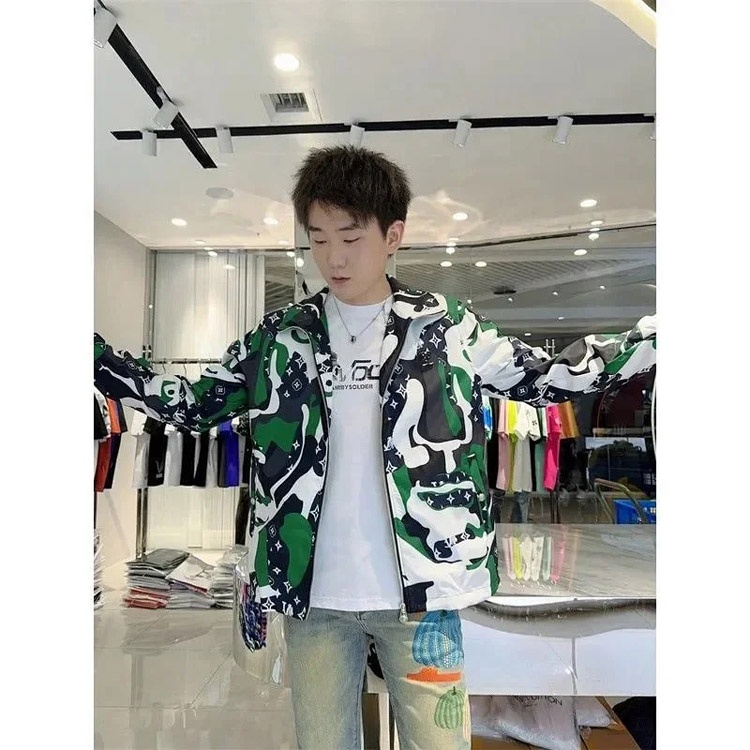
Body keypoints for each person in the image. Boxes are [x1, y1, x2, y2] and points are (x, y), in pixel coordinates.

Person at [94, 145, 656, 749]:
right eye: (318, 239)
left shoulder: (444, 327)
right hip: (314, 596)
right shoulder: (282, 336)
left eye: (350, 237)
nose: (332, 258)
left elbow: (548, 376)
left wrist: (652, 341)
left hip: (424, 593)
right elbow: (193, 401)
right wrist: (98, 361)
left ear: (393, 235)